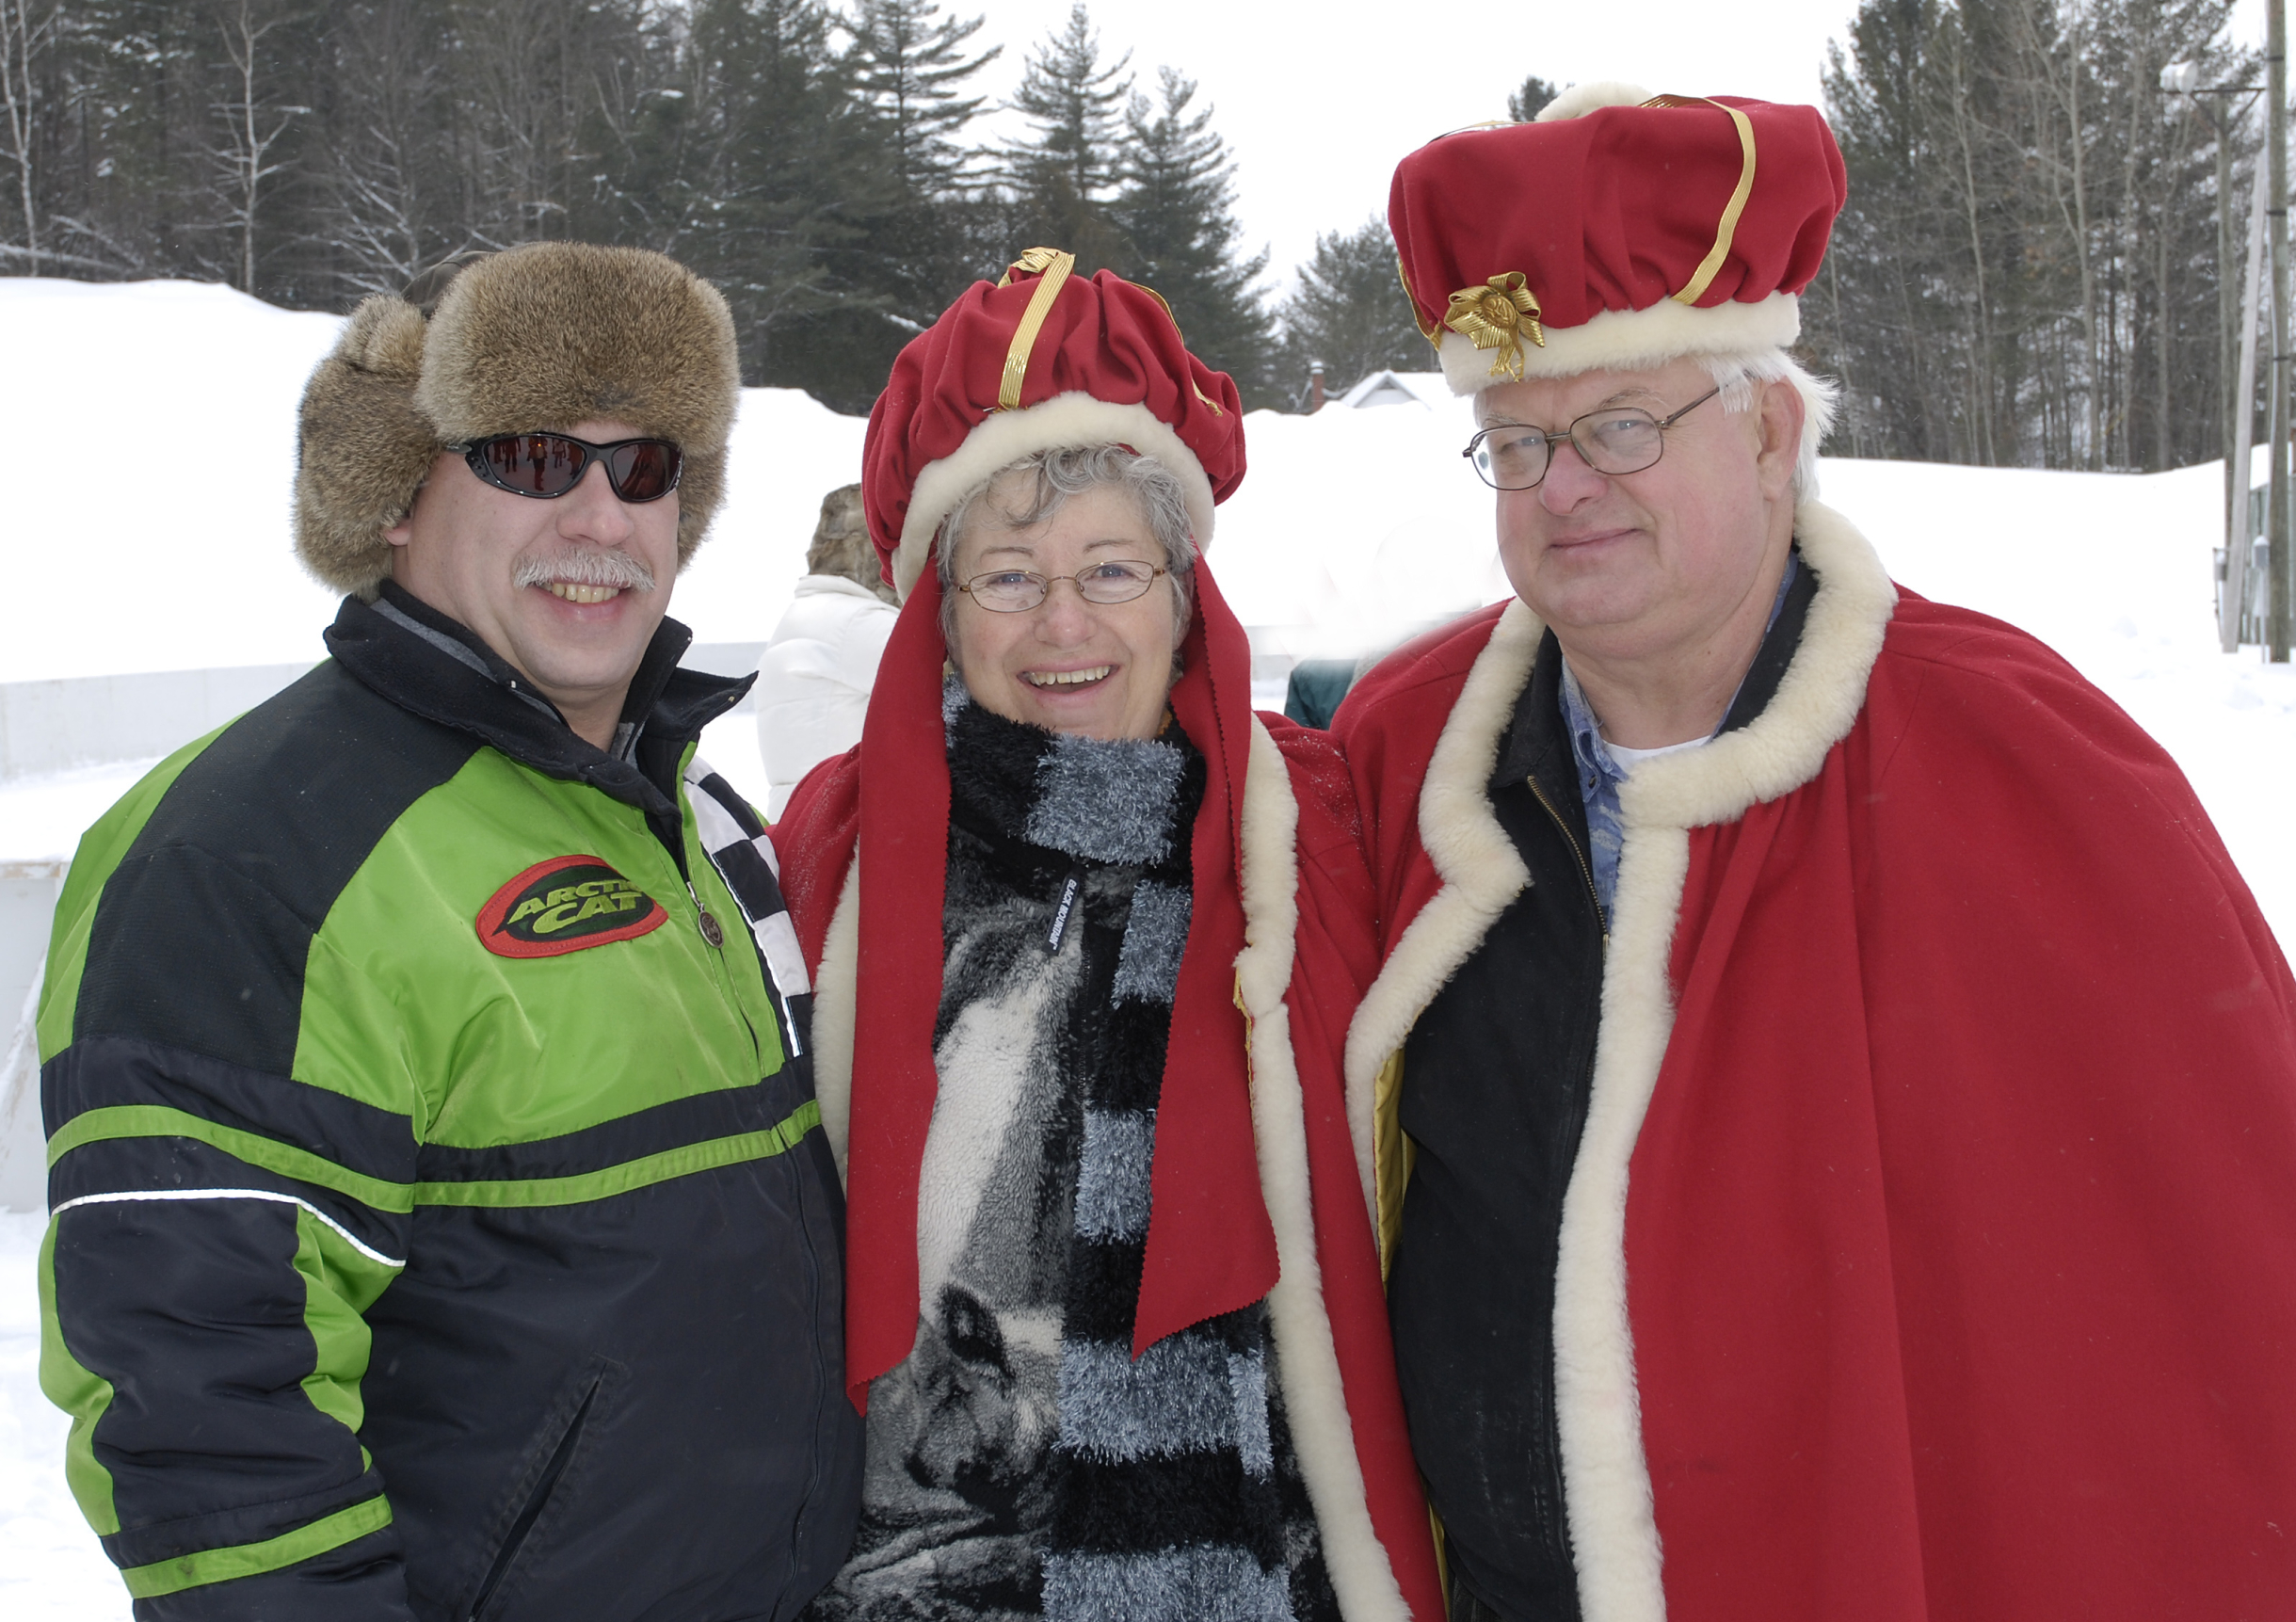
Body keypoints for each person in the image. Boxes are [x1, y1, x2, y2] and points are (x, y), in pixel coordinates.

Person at [1336, 82, 2296, 1621]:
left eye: (1621, 424)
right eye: (1515, 441)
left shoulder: (2024, 770)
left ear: (1771, 430)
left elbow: (2207, 1345)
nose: (1563, 486)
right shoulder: (1399, 760)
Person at [37, 242, 859, 1620]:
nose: (601, 516)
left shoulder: (696, 809)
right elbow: (202, 1414)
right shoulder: (245, 852)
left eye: (645, 466)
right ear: (395, 497)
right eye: (532, 456)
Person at [772, 248, 1444, 1622]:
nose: (1063, 623)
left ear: (1186, 591)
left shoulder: (1323, 841)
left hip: (1276, 1578)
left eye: (1111, 567)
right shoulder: (833, 862)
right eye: (1008, 576)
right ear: (941, 614)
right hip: (919, 1583)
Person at [758, 483, 901, 818]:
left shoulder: (804, 615)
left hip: (800, 820)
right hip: (847, 824)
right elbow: (948, 681)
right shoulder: (858, 622)